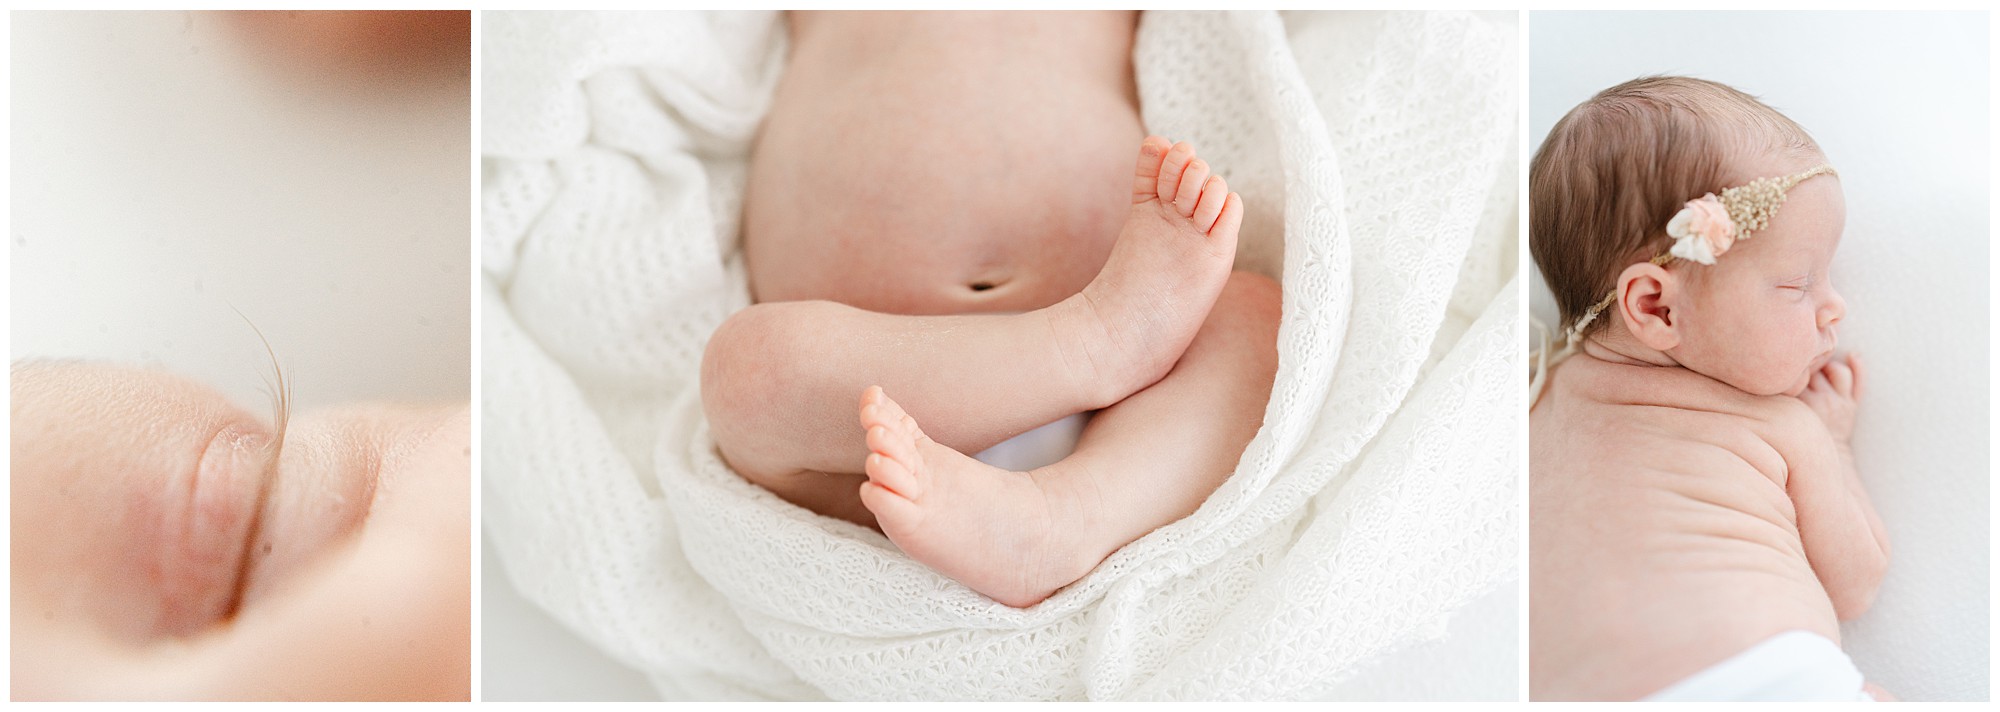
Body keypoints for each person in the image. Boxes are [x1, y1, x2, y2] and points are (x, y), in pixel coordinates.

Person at [699, 11, 1281, 608]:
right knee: (745, 372)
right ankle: (1093, 343)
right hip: (863, 417)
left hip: (1131, 399)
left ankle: (1060, 517)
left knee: (1257, 320)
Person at [1528, 76, 1890, 701]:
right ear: (1657, 308)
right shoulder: (1777, 423)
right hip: (1765, 674)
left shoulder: (1536, 399)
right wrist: (1835, 446)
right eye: (1797, 285)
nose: (1834, 307)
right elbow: (1857, 583)